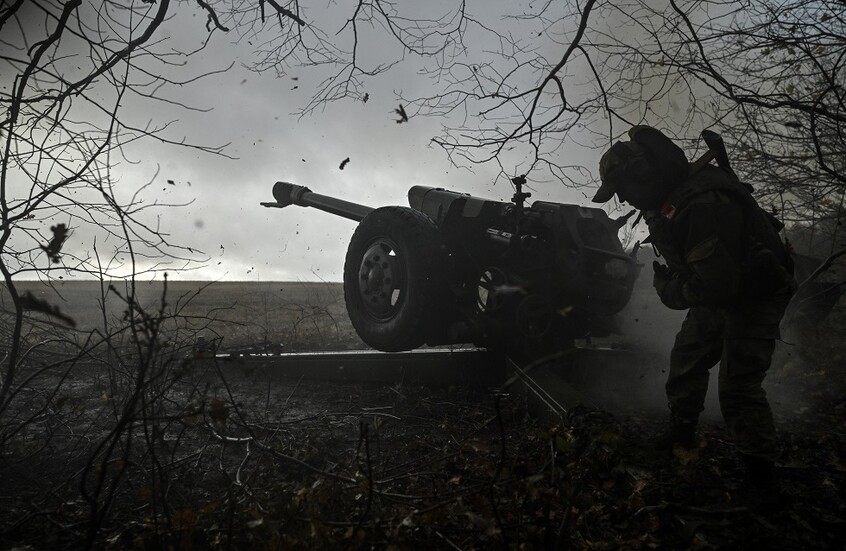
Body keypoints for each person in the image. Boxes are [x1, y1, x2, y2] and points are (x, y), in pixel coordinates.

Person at [592, 126, 795, 486]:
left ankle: (761, 474)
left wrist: (668, 290)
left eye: (623, 191)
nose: (623, 201)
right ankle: (681, 432)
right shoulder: (669, 197)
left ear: (643, 174)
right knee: (687, 356)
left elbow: (714, 285)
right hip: (724, 286)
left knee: (738, 386)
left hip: (755, 295)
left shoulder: (702, 204)